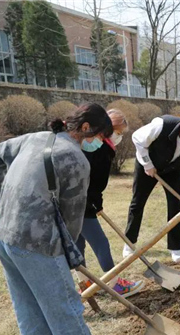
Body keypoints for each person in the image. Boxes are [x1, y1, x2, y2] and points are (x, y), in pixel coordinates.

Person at [0, 103, 123, 335]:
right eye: (99, 137)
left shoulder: (35, 137)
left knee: (28, 305)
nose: (99, 143)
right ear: (86, 128)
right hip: (38, 241)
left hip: (5, 235)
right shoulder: (75, 159)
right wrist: (68, 256)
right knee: (64, 302)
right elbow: (72, 219)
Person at [75, 109, 144, 297]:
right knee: (101, 243)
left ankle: (85, 282)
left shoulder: (91, 144)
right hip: (82, 203)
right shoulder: (101, 148)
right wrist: (95, 202)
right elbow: (93, 179)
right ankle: (114, 284)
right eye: (119, 132)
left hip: (77, 202)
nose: (119, 137)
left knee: (78, 243)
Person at [123, 113, 180, 263]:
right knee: (138, 203)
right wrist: (147, 164)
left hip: (171, 168)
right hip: (147, 164)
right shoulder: (162, 126)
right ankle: (129, 244)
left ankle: (175, 248)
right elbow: (137, 138)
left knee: (175, 205)